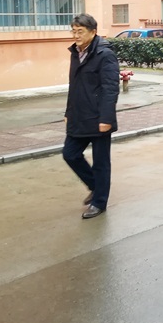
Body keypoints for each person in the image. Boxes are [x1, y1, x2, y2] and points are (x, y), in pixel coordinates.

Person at [63, 14, 119, 219]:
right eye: (74, 31)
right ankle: (96, 185)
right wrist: (68, 112)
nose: (76, 35)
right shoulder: (75, 53)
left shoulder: (105, 55)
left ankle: (99, 203)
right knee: (70, 154)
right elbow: (74, 86)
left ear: (93, 32)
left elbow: (110, 89)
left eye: (80, 31)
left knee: (101, 162)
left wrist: (106, 118)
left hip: (98, 117)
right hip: (79, 115)